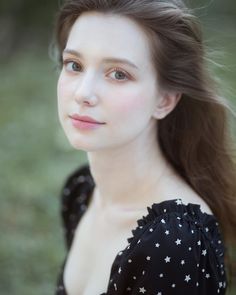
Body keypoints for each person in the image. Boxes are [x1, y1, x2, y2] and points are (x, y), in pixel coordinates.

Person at [53, 0, 236, 294]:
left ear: (164, 99)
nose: (83, 93)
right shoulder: (81, 191)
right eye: (74, 65)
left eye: (119, 74)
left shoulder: (175, 243)